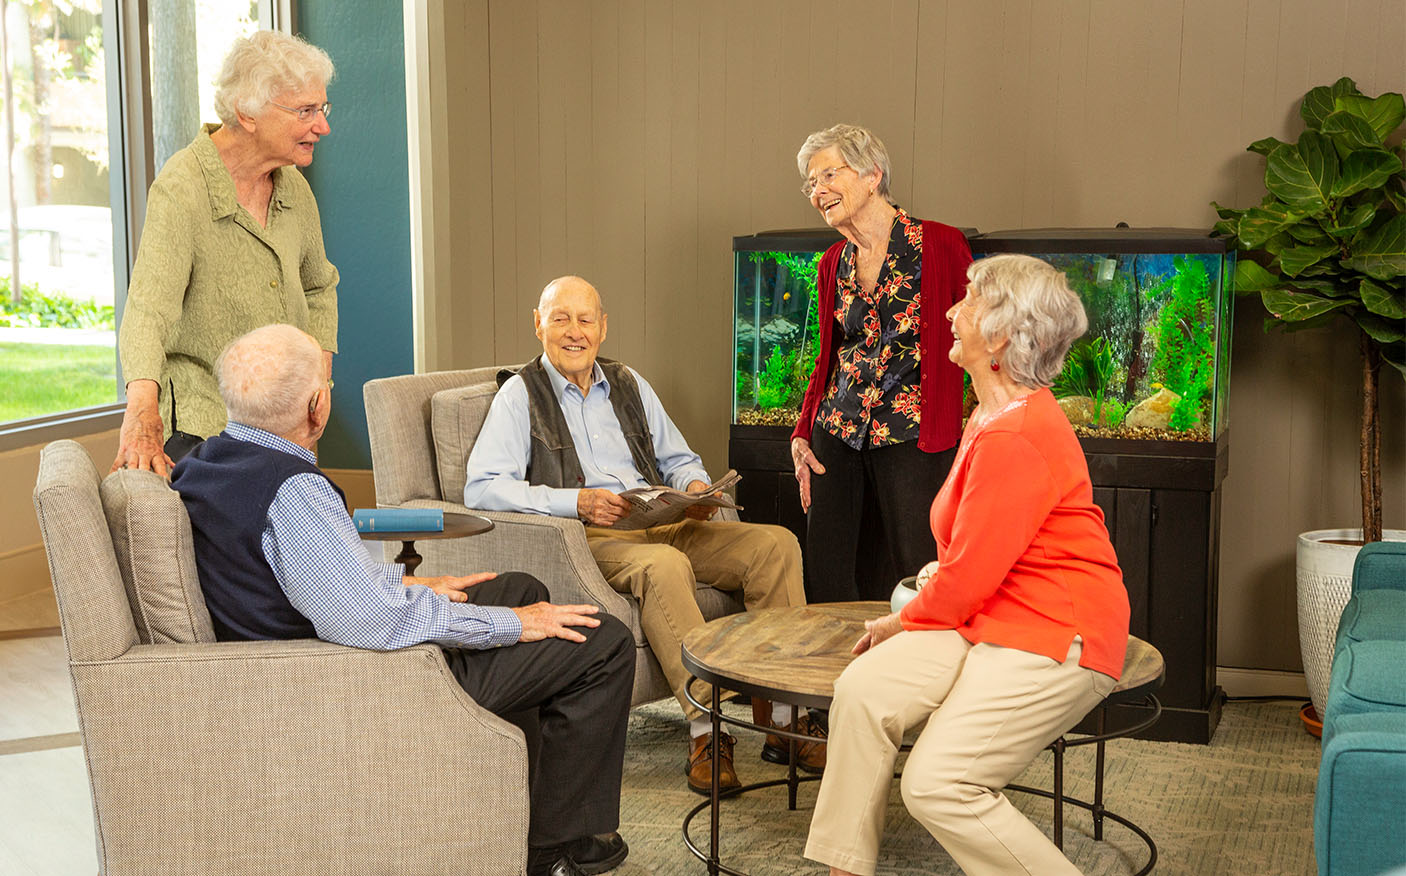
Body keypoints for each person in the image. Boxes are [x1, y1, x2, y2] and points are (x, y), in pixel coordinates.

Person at [171, 324, 634, 876]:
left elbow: (303, 581)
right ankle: (552, 848)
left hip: (309, 657)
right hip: (356, 684)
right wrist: (509, 625)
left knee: (520, 587)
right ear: (318, 406)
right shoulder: (293, 489)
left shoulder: (206, 461)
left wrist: (408, 586)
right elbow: (370, 624)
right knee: (602, 639)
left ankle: (517, 809)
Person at [802, 254, 1131, 876]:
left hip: (1055, 631)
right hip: (990, 612)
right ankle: (842, 866)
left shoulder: (1015, 434)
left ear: (1002, 334)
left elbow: (968, 579)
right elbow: (977, 554)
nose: (950, 313)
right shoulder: (988, 414)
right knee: (865, 690)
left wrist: (901, 621)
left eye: (969, 301)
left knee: (936, 784)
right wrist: (937, 584)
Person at [464, 276, 813, 796]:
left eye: (585, 320)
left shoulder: (628, 382)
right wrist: (575, 501)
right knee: (664, 568)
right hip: (596, 538)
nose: (574, 332)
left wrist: (695, 488)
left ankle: (784, 721)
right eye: (560, 318)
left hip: (664, 519)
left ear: (603, 328)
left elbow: (678, 459)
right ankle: (706, 730)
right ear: (538, 324)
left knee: (774, 545)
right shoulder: (519, 395)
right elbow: (482, 488)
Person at [114, 31, 341, 476]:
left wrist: (319, 380)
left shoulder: (292, 185)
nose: (323, 126)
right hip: (208, 432)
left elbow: (319, 286)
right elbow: (147, 310)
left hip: (288, 428)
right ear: (247, 113)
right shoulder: (184, 189)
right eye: (306, 111)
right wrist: (142, 413)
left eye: (322, 108)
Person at [790, 124, 973, 603]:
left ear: (873, 175)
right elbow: (827, 358)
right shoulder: (832, 261)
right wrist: (802, 432)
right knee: (828, 578)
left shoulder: (942, 246)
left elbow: (978, 337)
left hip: (914, 433)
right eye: (811, 183)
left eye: (829, 174)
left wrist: (982, 428)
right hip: (838, 430)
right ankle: (832, 676)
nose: (818, 190)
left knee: (919, 573)